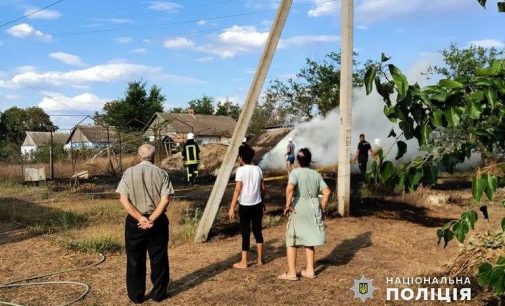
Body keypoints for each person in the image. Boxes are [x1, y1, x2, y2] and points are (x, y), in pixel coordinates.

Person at [116, 144, 174, 303]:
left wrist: (140, 218)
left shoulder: (128, 173)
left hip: (134, 222)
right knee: (159, 258)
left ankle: (136, 296)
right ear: (154, 156)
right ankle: (159, 294)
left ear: (138, 155)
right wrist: (151, 219)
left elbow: (123, 199)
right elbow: (165, 200)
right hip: (158, 221)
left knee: (135, 259)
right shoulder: (162, 173)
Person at [278, 148, 331, 281]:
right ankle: (310, 270)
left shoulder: (295, 172)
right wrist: (321, 207)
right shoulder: (316, 174)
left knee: (292, 240)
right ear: (309, 160)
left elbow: (290, 188)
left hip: (299, 207)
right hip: (313, 206)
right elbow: (327, 192)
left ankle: (291, 273)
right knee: (310, 238)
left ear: (297, 160)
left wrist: (287, 205)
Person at [228, 144, 265, 269]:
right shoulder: (258, 169)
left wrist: (232, 207)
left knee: (245, 234)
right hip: (257, 204)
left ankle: (244, 262)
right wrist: (263, 202)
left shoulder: (240, 171)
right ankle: (260, 259)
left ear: (241, 157)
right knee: (258, 231)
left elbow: (238, 190)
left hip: (245, 205)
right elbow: (262, 188)